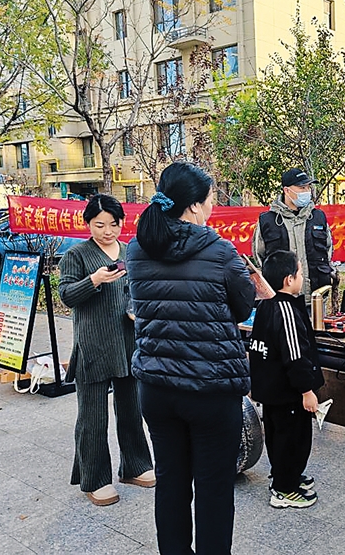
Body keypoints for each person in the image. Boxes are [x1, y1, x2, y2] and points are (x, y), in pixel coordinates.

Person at [126, 162, 255, 555]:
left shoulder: (137, 249)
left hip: (156, 387)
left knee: (170, 482)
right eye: (211, 198)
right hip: (210, 389)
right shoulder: (219, 250)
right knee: (214, 488)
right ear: (196, 205)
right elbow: (243, 305)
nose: (213, 205)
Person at [59, 194, 154, 507]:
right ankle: (95, 479)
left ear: (122, 222)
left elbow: (139, 291)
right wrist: (93, 280)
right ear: (88, 223)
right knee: (92, 418)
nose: (107, 231)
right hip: (93, 345)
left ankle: (136, 466)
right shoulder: (76, 254)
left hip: (127, 341)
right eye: (99, 225)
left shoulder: (129, 252)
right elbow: (66, 295)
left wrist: (137, 310)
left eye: (113, 224)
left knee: (132, 409)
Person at [248, 250, 325, 509]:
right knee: (294, 441)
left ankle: (285, 476)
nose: (302, 278)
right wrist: (307, 390)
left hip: (271, 391)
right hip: (288, 392)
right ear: (288, 280)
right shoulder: (286, 309)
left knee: (279, 437)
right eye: (300, 273)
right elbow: (295, 355)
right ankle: (284, 489)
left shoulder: (265, 305)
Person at [253, 168, 335, 304]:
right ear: (287, 190)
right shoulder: (267, 220)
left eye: (308, 187)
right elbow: (259, 255)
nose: (307, 191)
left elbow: (328, 250)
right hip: (281, 298)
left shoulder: (318, 217)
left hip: (315, 297)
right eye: (302, 188)